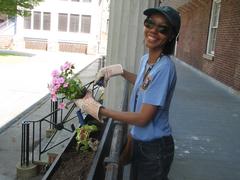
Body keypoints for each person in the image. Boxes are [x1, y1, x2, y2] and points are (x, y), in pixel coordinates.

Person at [75, 6, 181, 180]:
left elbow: (142, 118)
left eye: (163, 28)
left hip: (155, 148)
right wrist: (121, 71)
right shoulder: (146, 60)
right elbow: (145, 84)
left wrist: (100, 110)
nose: (153, 30)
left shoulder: (165, 68)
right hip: (141, 141)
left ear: (170, 36)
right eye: (150, 23)